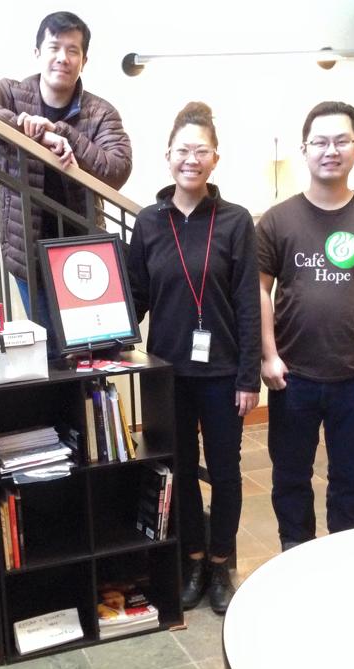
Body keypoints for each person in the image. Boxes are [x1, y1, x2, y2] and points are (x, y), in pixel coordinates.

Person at [257, 101, 354, 552]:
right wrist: (267, 355)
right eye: (321, 142)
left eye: (341, 141)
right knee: (290, 476)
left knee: (350, 479)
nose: (331, 150)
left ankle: (347, 558)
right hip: (292, 377)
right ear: (305, 149)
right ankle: (296, 552)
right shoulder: (278, 219)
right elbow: (259, 291)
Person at [127, 102, 261, 614]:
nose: (191, 159)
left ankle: (222, 563)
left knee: (225, 472)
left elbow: (248, 303)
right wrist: (100, 338)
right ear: (167, 157)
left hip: (224, 373)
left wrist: (249, 375)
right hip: (168, 374)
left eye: (200, 151)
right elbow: (137, 294)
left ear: (215, 159)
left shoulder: (235, 222)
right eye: (182, 150)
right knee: (179, 470)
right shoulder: (149, 221)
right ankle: (192, 558)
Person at [0, 11, 132, 338]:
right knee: (52, 351)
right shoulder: (12, 93)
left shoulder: (101, 112)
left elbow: (117, 168)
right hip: (28, 253)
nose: (62, 58)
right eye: (54, 47)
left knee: (91, 348)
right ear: (38, 52)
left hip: (85, 253)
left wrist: (61, 132)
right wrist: (25, 129)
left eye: (73, 50)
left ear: (84, 61)